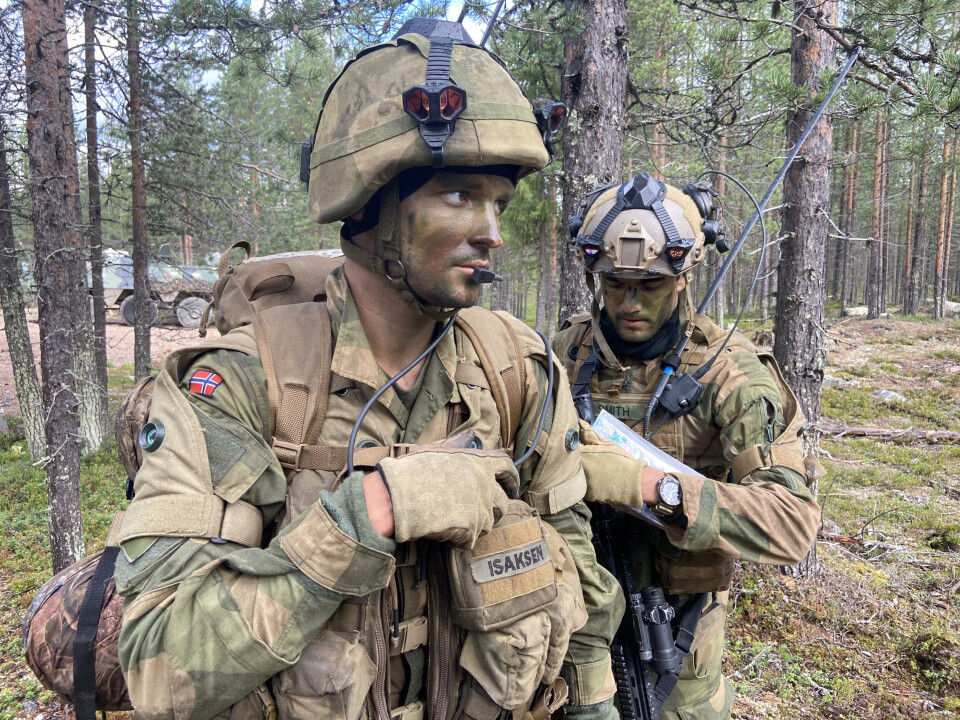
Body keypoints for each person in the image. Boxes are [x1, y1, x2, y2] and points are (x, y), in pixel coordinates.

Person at [112, 19, 625, 720]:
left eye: (498, 202)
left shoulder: (517, 368)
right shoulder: (240, 386)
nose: (492, 233)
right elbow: (157, 669)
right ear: (367, 206)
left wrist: (595, 703)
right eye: (458, 196)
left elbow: (579, 573)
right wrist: (366, 517)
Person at [553, 171, 821, 720]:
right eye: (613, 284)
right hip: (572, 642)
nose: (628, 303)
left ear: (683, 276)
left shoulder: (730, 375)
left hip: (676, 654)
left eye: (649, 285)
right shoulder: (564, 355)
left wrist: (652, 486)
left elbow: (791, 524)